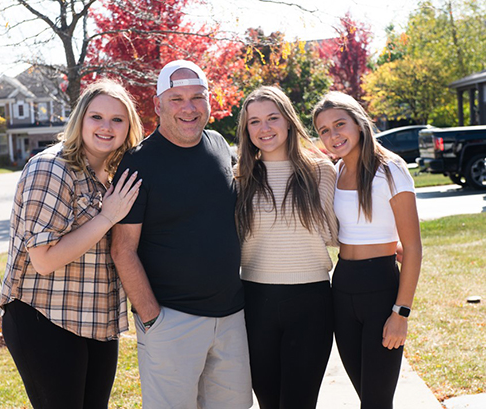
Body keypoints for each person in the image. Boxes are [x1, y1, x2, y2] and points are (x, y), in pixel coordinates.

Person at [110, 60, 253, 409]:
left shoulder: (220, 145)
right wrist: (151, 318)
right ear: (158, 104)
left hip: (232, 317)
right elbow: (122, 249)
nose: (188, 108)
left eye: (197, 97)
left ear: (209, 101)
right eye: (176, 99)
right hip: (172, 321)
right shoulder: (138, 163)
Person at [0, 79, 143, 409]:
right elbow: (44, 260)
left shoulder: (112, 176)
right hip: (43, 317)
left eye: (117, 119)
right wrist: (106, 217)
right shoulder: (51, 167)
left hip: (95, 320)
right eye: (96, 117)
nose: (106, 127)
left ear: (128, 127)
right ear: (80, 119)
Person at [312, 91, 422, 409]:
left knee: (376, 401)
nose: (333, 135)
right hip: (343, 286)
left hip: (380, 288)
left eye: (339, 124)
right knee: (366, 395)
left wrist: (400, 313)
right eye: (324, 130)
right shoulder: (336, 173)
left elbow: (413, 248)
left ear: (358, 123)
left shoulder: (391, 170)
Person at [235, 86, 339, 409]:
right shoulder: (239, 178)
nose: (264, 128)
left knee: (298, 403)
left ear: (289, 121)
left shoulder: (321, 171)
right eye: (254, 122)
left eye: (272, 118)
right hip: (255, 302)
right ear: (246, 129)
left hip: (311, 303)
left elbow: (339, 232)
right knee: (268, 402)